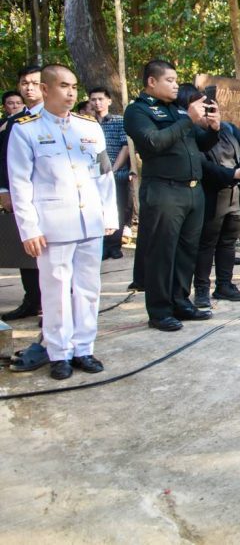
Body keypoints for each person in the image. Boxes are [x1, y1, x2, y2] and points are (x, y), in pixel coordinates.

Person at [7, 64, 118, 379]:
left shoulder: (89, 128)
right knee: (55, 293)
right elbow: (20, 184)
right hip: (53, 227)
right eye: (63, 86)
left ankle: (84, 348)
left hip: (90, 223)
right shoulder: (26, 130)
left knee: (88, 289)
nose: (70, 93)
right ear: (45, 89)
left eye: (73, 87)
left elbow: (104, 174)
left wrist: (109, 215)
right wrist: (29, 229)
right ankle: (59, 353)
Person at [125, 59, 221, 331]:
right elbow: (153, 142)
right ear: (151, 81)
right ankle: (159, 310)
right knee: (162, 253)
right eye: (170, 80)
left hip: (193, 190)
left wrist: (214, 127)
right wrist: (188, 119)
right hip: (164, 191)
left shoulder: (177, 110)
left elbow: (201, 144)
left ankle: (180, 301)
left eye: (177, 80)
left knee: (187, 251)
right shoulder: (138, 110)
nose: (176, 85)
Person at [193, 106, 240, 307]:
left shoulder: (228, 128)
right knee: (207, 244)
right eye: (205, 111)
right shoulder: (193, 133)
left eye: (213, 110)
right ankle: (201, 289)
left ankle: (224, 285)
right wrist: (234, 174)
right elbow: (203, 166)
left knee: (228, 242)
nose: (210, 115)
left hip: (235, 193)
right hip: (211, 194)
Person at [0, 65, 44, 322]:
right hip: (22, 196)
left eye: (35, 83)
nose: (29, 88)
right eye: (25, 83)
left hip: (50, 197)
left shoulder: (57, 117)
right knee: (25, 247)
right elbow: (4, 159)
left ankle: (52, 304)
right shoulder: (14, 122)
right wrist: (4, 190)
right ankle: (32, 299)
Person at [88, 87, 133, 260]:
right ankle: (101, 245)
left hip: (117, 173)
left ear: (109, 101)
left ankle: (114, 245)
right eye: (93, 99)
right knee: (96, 210)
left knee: (118, 208)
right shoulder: (87, 123)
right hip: (92, 175)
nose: (97, 103)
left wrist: (113, 169)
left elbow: (125, 147)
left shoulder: (119, 121)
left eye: (100, 99)